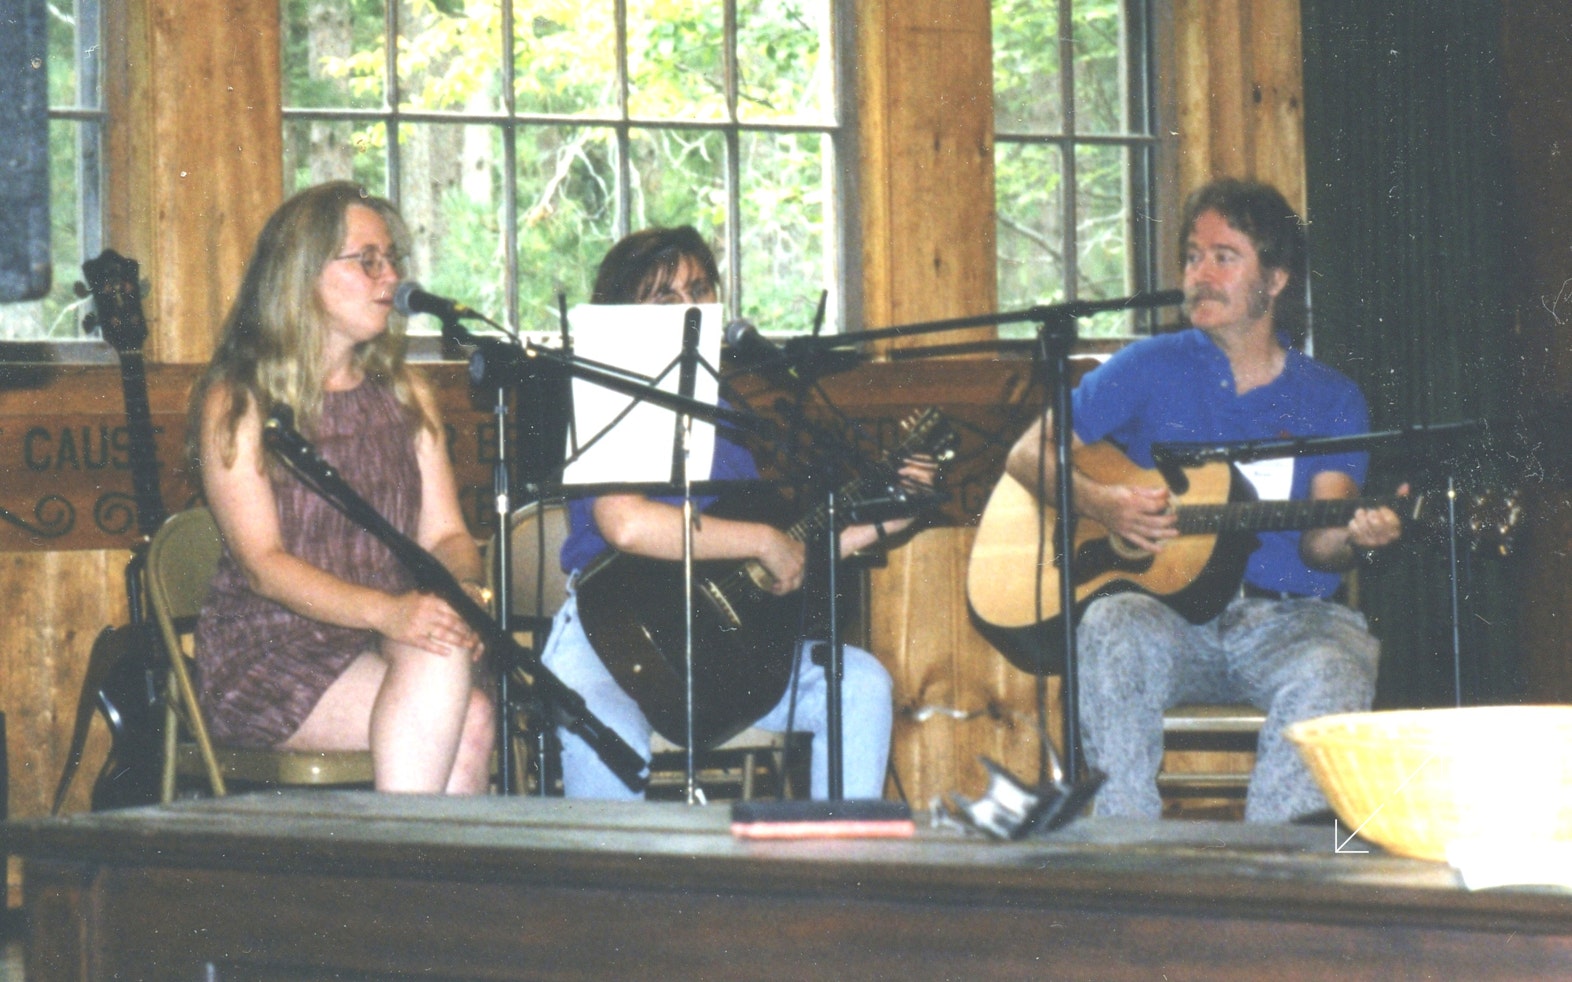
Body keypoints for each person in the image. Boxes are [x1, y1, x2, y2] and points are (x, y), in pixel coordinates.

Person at [1004, 178, 1404, 823]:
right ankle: (1126, 852)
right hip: (1170, 619)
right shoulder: (1147, 366)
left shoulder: (1330, 396)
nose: (1200, 274)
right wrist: (1103, 504)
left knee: (1337, 664)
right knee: (1111, 624)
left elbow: (1322, 543)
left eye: (1224, 256)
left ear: (1273, 280)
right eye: (1192, 256)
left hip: (1290, 623)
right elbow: (1027, 453)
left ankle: (1273, 878)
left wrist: (1356, 534)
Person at [540, 225, 921, 800]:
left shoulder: (730, 415)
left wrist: (890, 514)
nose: (690, 307)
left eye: (700, 289)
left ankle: (842, 871)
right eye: (665, 297)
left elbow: (769, 556)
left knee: (861, 683)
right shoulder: (609, 394)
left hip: (720, 642)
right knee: (606, 726)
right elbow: (627, 524)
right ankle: (612, 889)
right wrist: (762, 539)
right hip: (608, 637)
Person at [188, 180, 496, 794]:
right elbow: (263, 568)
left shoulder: (407, 394)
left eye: (393, 260)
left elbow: (447, 534)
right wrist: (391, 612)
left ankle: (418, 885)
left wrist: (463, 597)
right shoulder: (241, 399)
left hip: (386, 631)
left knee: (458, 686)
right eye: (367, 261)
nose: (390, 279)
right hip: (273, 647)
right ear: (302, 275)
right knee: (469, 717)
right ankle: (408, 884)